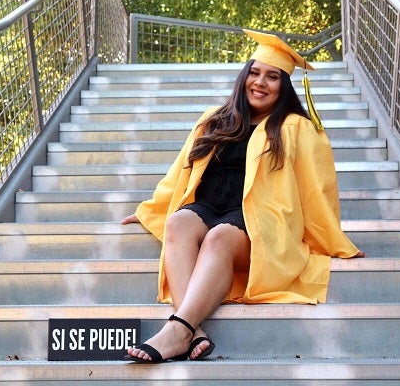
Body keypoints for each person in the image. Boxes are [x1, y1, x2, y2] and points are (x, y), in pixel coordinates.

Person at [121, 29, 366, 363]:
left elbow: (316, 188)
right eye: (254, 73)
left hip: (257, 219)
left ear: (284, 86)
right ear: (243, 77)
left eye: (272, 77)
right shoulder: (214, 119)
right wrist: (152, 210)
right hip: (208, 205)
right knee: (177, 222)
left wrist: (335, 239)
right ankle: (194, 331)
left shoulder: (295, 127)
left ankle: (177, 330)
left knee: (219, 237)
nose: (260, 83)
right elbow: (180, 171)